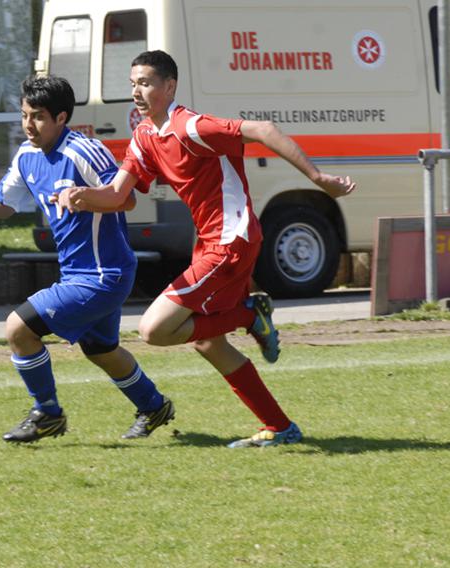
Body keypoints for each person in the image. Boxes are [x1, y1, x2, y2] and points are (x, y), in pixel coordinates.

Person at [57, 50, 356, 448]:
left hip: (232, 241)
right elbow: (115, 194)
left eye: (145, 83)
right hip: (211, 244)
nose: (137, 92)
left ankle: (249, 313)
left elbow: (264, 129)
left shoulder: (191, 127)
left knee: (153, 330)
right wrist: (81, 196)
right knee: (207, 341)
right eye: (132, 84)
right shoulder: (146, 135)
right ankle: (280, 427)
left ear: (169, 86)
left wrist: (319, 178)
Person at [0, 75, 175, 443]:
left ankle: (47, 413)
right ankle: (153, 405)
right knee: (101, 349)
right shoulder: (28, 155)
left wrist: (85, 196)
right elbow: (2, 205)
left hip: (103, 275)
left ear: (61, 118)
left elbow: (126, 199)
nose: (28, 125)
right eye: (24, 115)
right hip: (78, 274)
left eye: (37, 117)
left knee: (19, 329)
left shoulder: (85, 151)